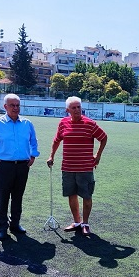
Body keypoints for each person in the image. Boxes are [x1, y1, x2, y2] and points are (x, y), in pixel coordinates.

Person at [0, 93, 40, 241]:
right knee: (3, 198)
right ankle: (2, 227)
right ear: (5, 106)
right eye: (12, 105)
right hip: (3, 166)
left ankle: (15, 225)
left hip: (22, 166)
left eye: (17, 105)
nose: (15, 108)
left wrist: (33, 155)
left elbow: (33, 141)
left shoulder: (27, 123)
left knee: (18, 197)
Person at [46, 96, 108, 236]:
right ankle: (77, 221)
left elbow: (103, 137)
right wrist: (51, 156)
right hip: (67, 167)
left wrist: (97, 156)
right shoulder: (63, 123)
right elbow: (56, 140)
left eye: (79, 107)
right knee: (71, 195)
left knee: (87, 195)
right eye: (73, 108)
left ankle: (85, 223)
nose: (77, 110)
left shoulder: (90, 124)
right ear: (67, 110)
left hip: (85, 167)